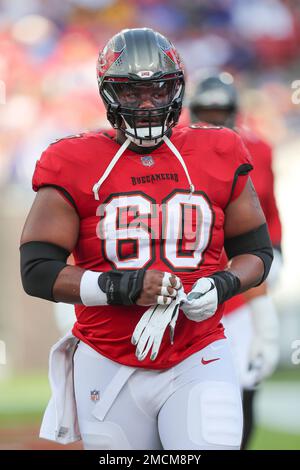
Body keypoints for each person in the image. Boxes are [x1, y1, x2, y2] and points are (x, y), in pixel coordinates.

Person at [20, 28, 273, 450]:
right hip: (107, 358)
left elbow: (256, 251)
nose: (147, 103)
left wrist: (223, 284)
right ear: (107, 93)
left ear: (177, 90)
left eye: (159, 90)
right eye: (132, 92)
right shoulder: (72, 161)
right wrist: (123, 286)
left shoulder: (220, 150)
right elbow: (36, 270)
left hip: (199, 351)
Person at [189, 71, 282, 448]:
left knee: (246, 377)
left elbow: (269, 212)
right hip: (190, 282)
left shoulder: (257, 148)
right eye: (205, 111)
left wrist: (273, 254)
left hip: (241, 288)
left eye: (220, 110)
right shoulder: (175, 150)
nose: (213, 118)